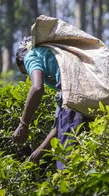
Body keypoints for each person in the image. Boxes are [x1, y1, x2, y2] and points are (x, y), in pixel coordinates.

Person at [12, 36, 92, 169]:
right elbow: (59, 125)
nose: (28, 75)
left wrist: (23, 124)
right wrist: (38, 153)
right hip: (90, 95)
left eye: (24, 72)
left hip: (76, 92)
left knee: (67, 161)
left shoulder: (31, 55)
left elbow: (37, 88)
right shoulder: (58, 64)